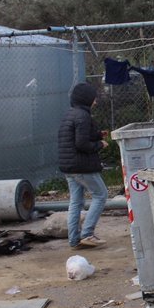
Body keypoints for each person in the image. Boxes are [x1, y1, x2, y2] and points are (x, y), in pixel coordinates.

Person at [57, 82, 109, 249]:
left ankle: (74, 240)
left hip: (69, 166)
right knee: (101, 195)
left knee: (76, 202)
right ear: (86, 99)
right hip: (82, 166)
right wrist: (99, 144)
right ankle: (87, 234)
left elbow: (77, 136)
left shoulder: (70, 114)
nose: (96, 102)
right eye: (94, 98)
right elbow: (81, 143)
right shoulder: (83, 116)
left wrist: (97, 134)